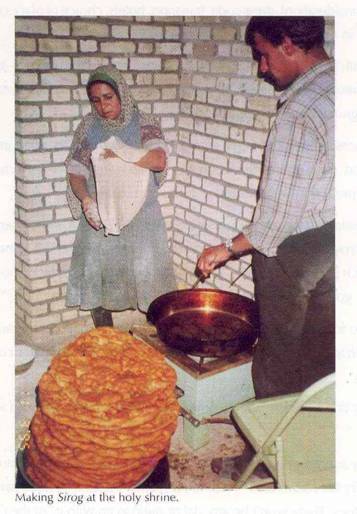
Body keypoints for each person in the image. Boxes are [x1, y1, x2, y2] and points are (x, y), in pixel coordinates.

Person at [196, 16, 334, 480]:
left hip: (295, 255)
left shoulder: (299, 111)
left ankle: (263, 461)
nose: (261, 67)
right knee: (321, 359)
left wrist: (226, 248)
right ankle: (310, 453)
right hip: (337, 246)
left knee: (276, 362)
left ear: (289, 44)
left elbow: (274, 221)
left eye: (263, 53)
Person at [65, 65, 176, 328]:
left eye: (108, 97)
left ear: (121, 94)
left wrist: (120, 151)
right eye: (95, 100)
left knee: (150, 279)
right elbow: (76, 171)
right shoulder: (89, 127)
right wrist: (86, 201)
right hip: (101, 214)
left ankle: (155, 340)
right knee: (100, 277)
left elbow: (158, 160)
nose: (102, 106)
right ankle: (107, 339)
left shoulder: (144, 123)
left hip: (142, 215)